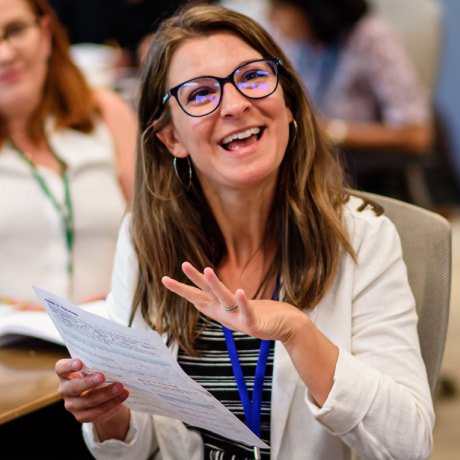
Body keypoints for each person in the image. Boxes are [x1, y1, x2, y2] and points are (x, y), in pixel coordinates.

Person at [55, 4, 434, 460]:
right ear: (170, 138)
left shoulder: (362, 239)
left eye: (252, 77)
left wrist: (298, 332)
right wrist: (111, 417)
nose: (236, 104)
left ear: (288, 100)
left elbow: (407, 445)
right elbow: (141, 447)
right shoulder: (145, 239)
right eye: (199, 95)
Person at [0, 0, 136, 309]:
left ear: (46, 35)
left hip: (109, 344)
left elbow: (158, 236)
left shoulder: (105, 113)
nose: (5, 54)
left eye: (16, 31)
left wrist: (124, 294)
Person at [266, 0, 433, 154]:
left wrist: (331, 131)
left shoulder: (370, 37)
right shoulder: (299, 43)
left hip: (364, 170)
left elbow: (417, 134)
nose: (270, 17)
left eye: (279, 7)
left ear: (313, 7)